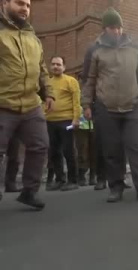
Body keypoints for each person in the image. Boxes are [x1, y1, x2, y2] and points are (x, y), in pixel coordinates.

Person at [82, 7, 138, 203]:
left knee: (137, 148)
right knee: (112, 150)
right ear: (104, 29)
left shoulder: (134, 48)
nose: (116, 31)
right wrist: (86, 104)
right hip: (106, 107)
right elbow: (89, 80)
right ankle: (116, 188)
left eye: (118, 27)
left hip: (133, 105)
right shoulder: (95, 50)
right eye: (111, 28)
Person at [0, 0, 54, 209]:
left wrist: (48, 93)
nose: (25, 8)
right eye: (20, 3)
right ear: (5, 3)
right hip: (3, 103)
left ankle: (29, 191)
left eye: (28, 5)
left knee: (40, 145)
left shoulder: (33, 37)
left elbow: (41, 69)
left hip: (31, 104)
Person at [45, 56, 81, 192]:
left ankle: (73, 180)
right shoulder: (47, 83)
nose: (55, 67)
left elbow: (76, 102)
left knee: (69, 151)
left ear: (64, 67)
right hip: (50, 121)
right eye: (53, 64)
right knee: (54, 152)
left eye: (58, 64)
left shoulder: (71, 81)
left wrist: (76, 119)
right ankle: (60, 179)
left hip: (66, 121)